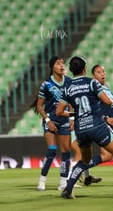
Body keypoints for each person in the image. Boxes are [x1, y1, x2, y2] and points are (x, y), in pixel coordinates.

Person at [56, 56, 113, 199]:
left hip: (81, 129)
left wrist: (76, 113)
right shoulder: (92, 82)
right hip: (96, 126)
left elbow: (59, 111)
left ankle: (67, 190)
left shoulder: (67, 88)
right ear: (84, 69)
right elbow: (107, 101)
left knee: (84, 161)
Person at [32, 56, 73, 191]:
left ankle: (62, 182)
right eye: (58, 63)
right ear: (52, 67)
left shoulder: (69, 82)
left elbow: (72, 103)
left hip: (65, 120)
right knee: (52, 150)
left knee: (66, 152)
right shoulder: (47, 84)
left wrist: (72, 119)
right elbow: (39, 106)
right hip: (51, 119)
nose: (62, 65)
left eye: (62, 63)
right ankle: (42, 181)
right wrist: (47, 120)